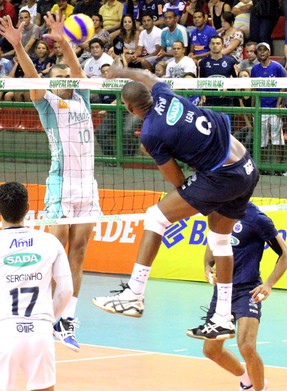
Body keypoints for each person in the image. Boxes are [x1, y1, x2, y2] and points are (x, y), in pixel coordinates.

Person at [93, 64, 259, 340]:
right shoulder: (165, 94)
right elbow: (146, 75)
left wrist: (155, 155)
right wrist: (120, 70)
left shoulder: (151, 134)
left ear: (130, 109)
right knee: (219, 240)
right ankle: (222, 318)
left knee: (155, 217)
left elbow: (177, 180)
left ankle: (134, 295)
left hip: (222, 176)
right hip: (247, 168)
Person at [0, 12, 102, 352]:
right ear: (51, 83)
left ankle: (67, 319)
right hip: (61, 185)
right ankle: (44, 314)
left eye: (66, 76)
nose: (64, 79)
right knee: (57, 250)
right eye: (57, 76)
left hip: (88, 186)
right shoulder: (47, 105)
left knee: (80, 251)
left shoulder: (82, 98)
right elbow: (31, 74)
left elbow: (76, 69)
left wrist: (64, 42)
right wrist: (18, 46)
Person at [187, 201, 287, 391]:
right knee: (211, 350)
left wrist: (268, 284)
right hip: (222, 291)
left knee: (247, 346)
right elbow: (213, 243)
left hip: (248, 290)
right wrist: (207, 265)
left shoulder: (257, 218)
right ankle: (247, 382)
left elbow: (286, 254)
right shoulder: (218, 210)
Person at [0, 181, 73, 391]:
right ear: (28, 209)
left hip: (4, 329)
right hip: (39, 332)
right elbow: (66, 289)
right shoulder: (49, 242)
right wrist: (48, 318)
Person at [250, 42, 286, 165]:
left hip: (274, 108)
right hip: (261, 109)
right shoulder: (254, 69)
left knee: (277, 139)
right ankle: (261, 166)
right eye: (259, 50)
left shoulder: (277, 67)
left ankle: (278, 168)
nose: (262, 52)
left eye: (264, 50)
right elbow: (254, 89)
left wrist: (279, 104)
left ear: (269, 52)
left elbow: (283, 87)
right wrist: (254, 108)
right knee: (261, 140)